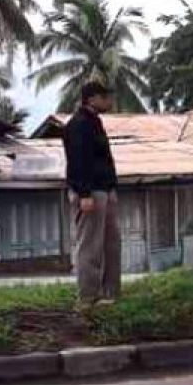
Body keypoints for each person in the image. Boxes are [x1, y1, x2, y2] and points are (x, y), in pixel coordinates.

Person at [63, 80, 120, 311]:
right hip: (89, 191)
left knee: (111, 242)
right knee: (90, 244)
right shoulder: (77, 125)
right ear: (92, 98)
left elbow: (104, 158)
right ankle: (88, 296)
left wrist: (112, 187)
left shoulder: (96, 123)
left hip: (104, 189)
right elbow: (78, 161)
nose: (109, 101)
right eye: (104, 96)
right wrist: (84, 193)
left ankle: (110, 292)